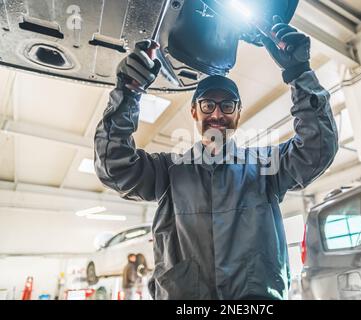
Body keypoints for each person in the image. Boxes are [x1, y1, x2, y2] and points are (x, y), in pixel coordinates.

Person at [94, 16, 338, 300]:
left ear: (238, 112)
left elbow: (316, 149)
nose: (218, 114)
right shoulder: (168, 172)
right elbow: (113, 165)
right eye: (208, 105)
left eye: (227, 105)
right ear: (195, 112)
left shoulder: (265, 167)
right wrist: (128, 93)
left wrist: (299, 73)